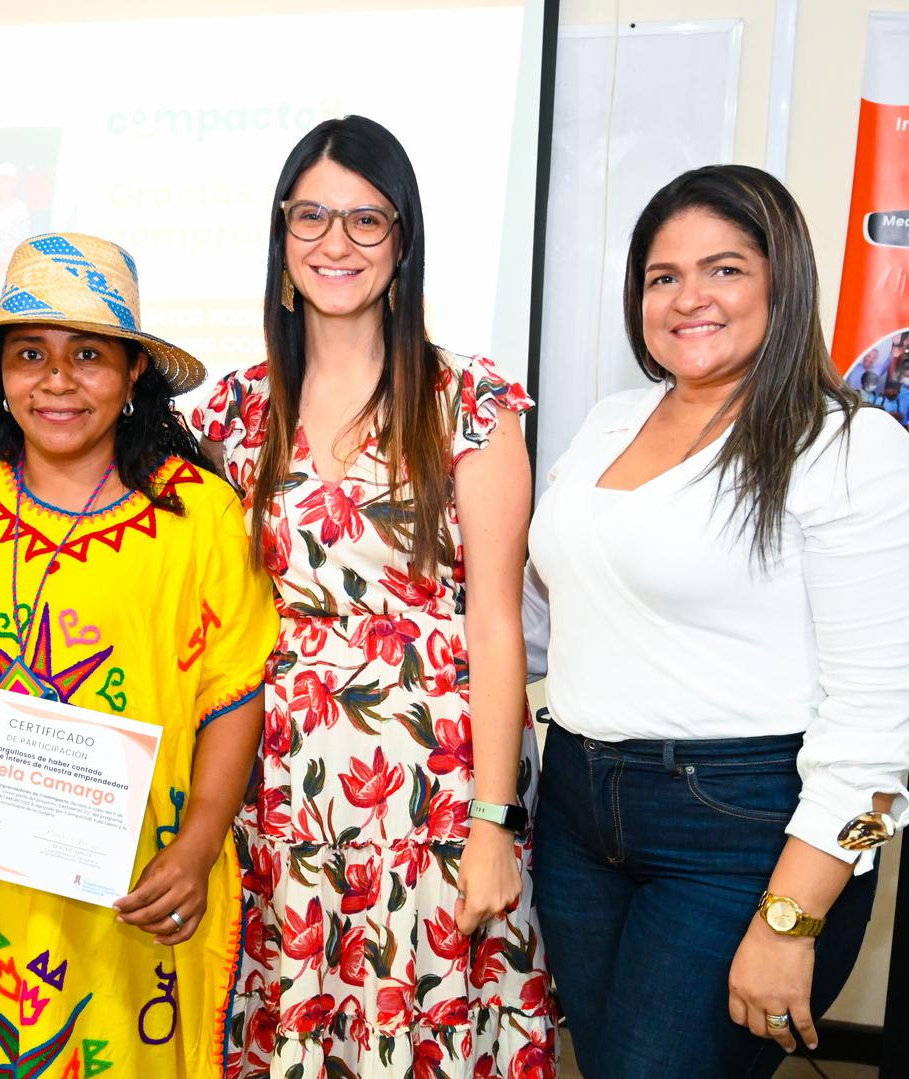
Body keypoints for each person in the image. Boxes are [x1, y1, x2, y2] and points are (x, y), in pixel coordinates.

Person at [528, 165, 909, 1077]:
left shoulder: (848, 448)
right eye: (662, 277)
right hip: (575, 810)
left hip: (740, 827)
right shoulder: (609, 422)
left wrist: (790, 920)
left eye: (724, 270)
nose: (689, 299)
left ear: (782, 280)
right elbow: (550, 605)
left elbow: (881, 729)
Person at [189, 115, 557, 1077]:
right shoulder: (228, 413)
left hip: (432, 800)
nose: (335, 243)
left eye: (366, 219)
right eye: (311, 216)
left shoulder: (469, 401)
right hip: (278, 796)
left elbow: (494, 624)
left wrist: (492, 822)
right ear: (281, 237)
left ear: (403, 242)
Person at [0, 232, 278, 1077]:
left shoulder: (196, 513)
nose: (57, 380)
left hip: (136, 882)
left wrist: (198, 845)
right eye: (30, 355)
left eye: (88, 354)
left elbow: (234, 689)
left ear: (132, 375)